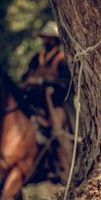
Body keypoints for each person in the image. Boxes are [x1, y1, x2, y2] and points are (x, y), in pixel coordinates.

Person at [21, 20, 74, 182]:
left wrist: (43, 82)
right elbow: (25, 77)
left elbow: (67, 84)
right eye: (44, 38)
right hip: (35, 105)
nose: (45, 41)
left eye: (48, 38)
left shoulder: (62, 60)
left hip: (56, 104)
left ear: (55, 41)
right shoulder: (36, 59)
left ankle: (60, 166)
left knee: (56, 128)